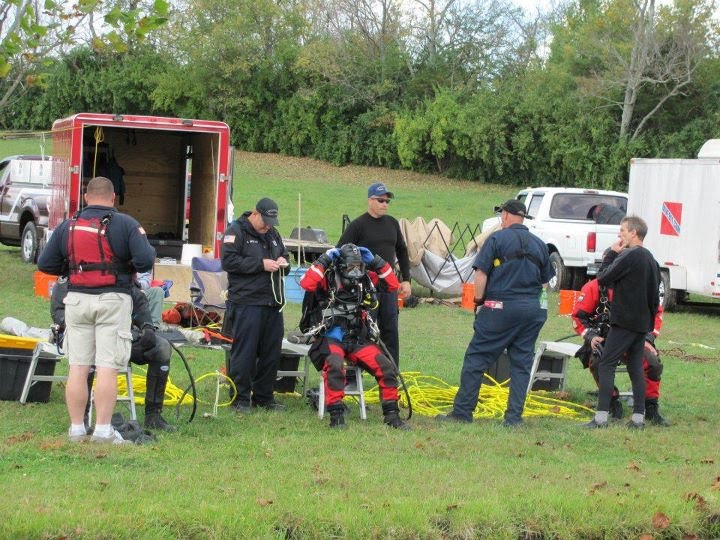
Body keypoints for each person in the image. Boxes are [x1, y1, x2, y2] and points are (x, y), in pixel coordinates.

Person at [38, 176, 156, 444]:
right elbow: (145, 260)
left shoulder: (69, 226)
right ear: (113, 198)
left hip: (76, 301)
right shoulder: (126, 224)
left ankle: (76, 429)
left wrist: (72, 268)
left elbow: (45, 263)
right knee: (107, 367)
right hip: (112, 300)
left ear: (86, 197)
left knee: (78, 367)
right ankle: (103, 430)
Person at [436, 200, 553, 426]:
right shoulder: (540, 244)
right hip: (532, 311)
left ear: (506, 216)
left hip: (501, 308)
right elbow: (545, 283)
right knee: (521, 365)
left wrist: (479, 301)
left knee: (477, 358)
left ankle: (462, 413)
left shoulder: (496, 239)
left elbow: (481, 275)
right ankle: (513, 418)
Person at [299, 243, 409, 430]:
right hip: (331, 336)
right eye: (351, 267)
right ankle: (336, 416)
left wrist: (376, 261)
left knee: (386, 366)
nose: (356, 272)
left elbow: (392, 285)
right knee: (334, 364)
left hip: (357, 337)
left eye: (359, 267)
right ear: (341, 266)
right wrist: (324, 259)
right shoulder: (328, 277)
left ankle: (392, 416)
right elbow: (306, 284)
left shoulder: (366, 278)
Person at [51, 278, 177, 432]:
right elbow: (58, 311)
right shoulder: (71, 275)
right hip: (86, 338)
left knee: (161, 348)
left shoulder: (119, 273)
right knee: (86, 355)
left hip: (122, 336)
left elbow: (138, 300)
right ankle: (81, 420)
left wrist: (147, 326)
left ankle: (153, 415)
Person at [583, 215, 661, 429]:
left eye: (623, 230)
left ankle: (601, 418)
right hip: (642, 324)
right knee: (635, 367)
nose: (620, 234)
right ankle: (638, 419)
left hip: (624, 322)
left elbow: (603, 278)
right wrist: (648, 324)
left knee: (606, 364)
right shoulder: (652, 260)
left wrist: (610, 254)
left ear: (634, 233)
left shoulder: (629, 255)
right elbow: (655, 297)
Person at [221, 197, 289, 413]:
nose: (268, 226)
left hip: (272, 302)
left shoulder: (273, 234)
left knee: (271, 352)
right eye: (265, 221)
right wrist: (260, 264)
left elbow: (285, 256)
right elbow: (228, 262)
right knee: (245, 352)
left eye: (272, 222)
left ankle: (264, 397)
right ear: (255, 213)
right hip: (246, 302)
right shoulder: (236, 231)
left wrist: (284, 263)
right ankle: (240, 398)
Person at [571, 277, 668, 426]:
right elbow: (578, 316)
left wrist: (648, 339)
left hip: (635, 339)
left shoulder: (641, 286)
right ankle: (611, 402)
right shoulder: (594, 287)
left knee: (652, 362)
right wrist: (591, 337)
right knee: (597, 362)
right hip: (604, 340)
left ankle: (650, 406)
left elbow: (655, 314)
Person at [337, 182, 411, 367]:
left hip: (389, 286)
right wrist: (356, 277)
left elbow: (402, 251)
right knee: (363, 330)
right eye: (380, 200)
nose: (385, 204)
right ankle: (356, 373)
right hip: (366, 288)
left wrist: (406, 280)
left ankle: (390, 373)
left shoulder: (392, 223)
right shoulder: (358, 225)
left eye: (387, 201)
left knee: (390, 329)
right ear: (370, 200)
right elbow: (341, 251)